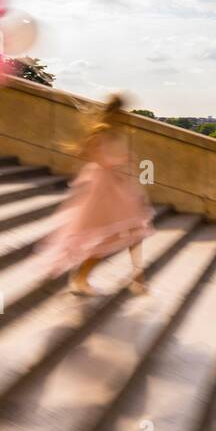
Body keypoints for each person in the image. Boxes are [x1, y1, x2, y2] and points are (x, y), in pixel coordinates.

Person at [36, 94, 155, 295]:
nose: (125, 117)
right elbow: (99, 160)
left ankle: (135, 276)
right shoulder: (100, 132)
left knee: (131, 229)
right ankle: (82, 277)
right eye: (122, 113)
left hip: (114, 186)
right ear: (116, 113)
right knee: (110, 234)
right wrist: (123, 160)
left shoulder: (111, 132)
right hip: (103, 188)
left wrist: (123, 164)